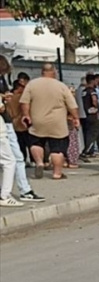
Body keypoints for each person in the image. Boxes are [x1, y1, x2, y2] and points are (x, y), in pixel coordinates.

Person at [19, 63, 80, 181]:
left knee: (36, 143)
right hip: (57, 123)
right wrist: (76, 118)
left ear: (42, 72)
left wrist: (26, 115)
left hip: (37, 121)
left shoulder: (32, 84)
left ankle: (39, 162)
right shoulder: (61, 86)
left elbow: (24, 102)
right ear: (54, 72)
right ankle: (57, 173)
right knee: (57, 148)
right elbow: (72, 105)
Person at [0, 60, 39, 201]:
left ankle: (23, 189)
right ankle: (10, 193)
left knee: (14, 158)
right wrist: (3, 98)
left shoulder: (3, 80)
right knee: (12, 159)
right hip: (4, 123)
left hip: (7, 121)